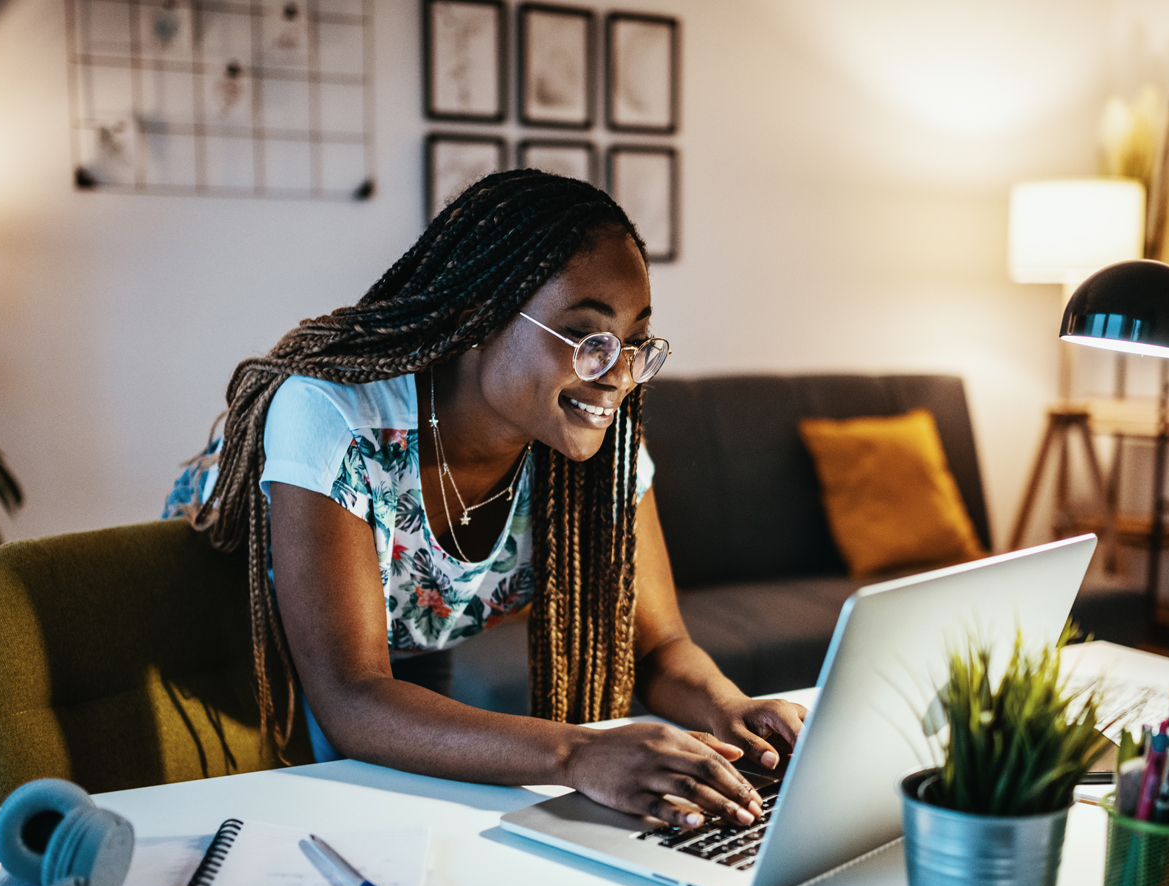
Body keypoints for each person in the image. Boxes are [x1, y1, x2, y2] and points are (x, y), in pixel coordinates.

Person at [167, 170, 804, 831]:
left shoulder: (597, 449)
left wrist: (733, 711)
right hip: (236, 651)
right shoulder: (334, 417)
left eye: (636, 343)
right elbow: (353, 700)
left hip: (403, 657)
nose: (618, 376)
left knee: (426, 847)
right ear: (480, 314)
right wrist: (578, 753)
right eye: (588, 337)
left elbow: (660, 646)